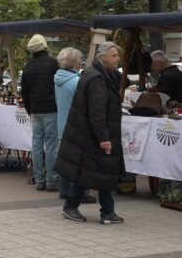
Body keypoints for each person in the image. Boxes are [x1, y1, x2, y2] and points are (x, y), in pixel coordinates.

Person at [55, 42, 125, 224]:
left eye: (118, 55)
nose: (118, 59)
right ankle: (101, 211)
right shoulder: (97, 79)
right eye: (114, 56)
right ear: (103, 58)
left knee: (93, 171)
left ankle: (98, 210)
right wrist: (103, 138)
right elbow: (97, 111)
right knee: (97, 170)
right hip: (94, 134)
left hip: (88, 133)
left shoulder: (97, 74)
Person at [54, 47, 96, 204]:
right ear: (75, 62)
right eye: (79, 60)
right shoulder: (77, 81)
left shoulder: (58, 79)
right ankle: (81, 193)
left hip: (61, 123)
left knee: (65, 159)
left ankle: (64, 190)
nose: (81, 62)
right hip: (76, 126)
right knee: (80, 161)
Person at [21, 34, 60, 192]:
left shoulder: (28, 66)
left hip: (35, 110)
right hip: (51, 109)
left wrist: (30, 109)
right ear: (44, 47)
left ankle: (39, 180)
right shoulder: (53, 63)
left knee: (36, 144)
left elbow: (24, 91)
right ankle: (51, 180)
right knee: (51, 145)